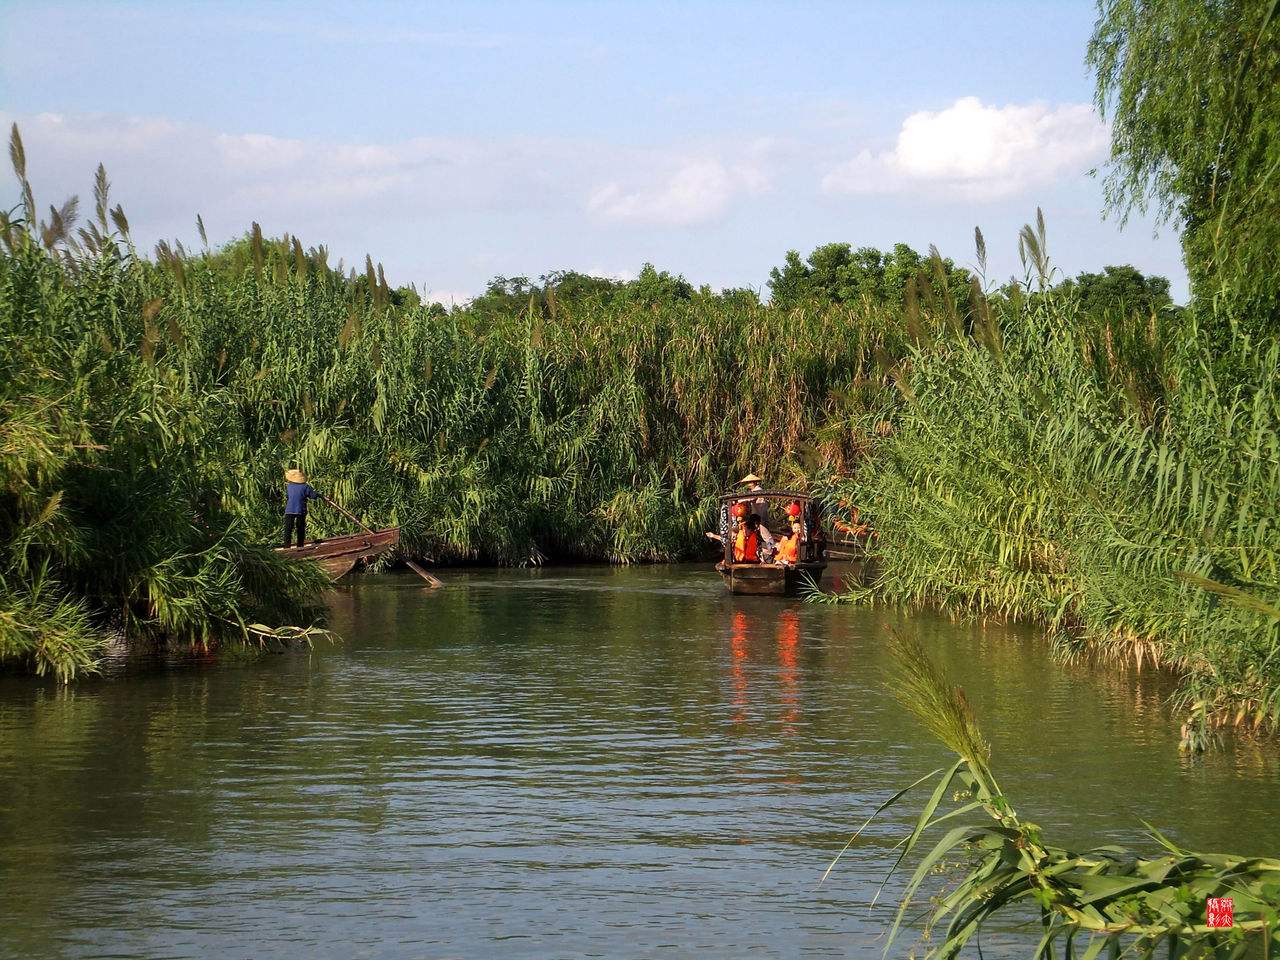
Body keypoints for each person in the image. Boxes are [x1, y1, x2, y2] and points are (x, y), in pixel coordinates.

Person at [282, 467, 322, 548]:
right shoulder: (305, 487)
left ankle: (286, 546)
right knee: (300, 528)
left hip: (289, 510)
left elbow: (288, 496)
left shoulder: (289, 486)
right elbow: (313, 496)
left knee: (288, 529)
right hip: (300, 510)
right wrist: (318, 494)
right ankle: (300, 546)